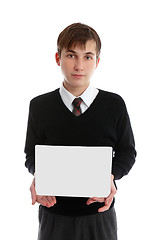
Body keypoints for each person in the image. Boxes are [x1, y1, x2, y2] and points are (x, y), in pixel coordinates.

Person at [24, 22, 136, 240]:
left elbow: (127, 152)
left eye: (87, 57)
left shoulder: (114, 105)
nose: (79, 66)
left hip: (99, 214)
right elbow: (31, 154)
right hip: (53, 215)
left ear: (97, 61)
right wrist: (39, 174)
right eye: (71, 55)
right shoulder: (39, 106)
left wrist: (111, 176)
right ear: (58, 58)